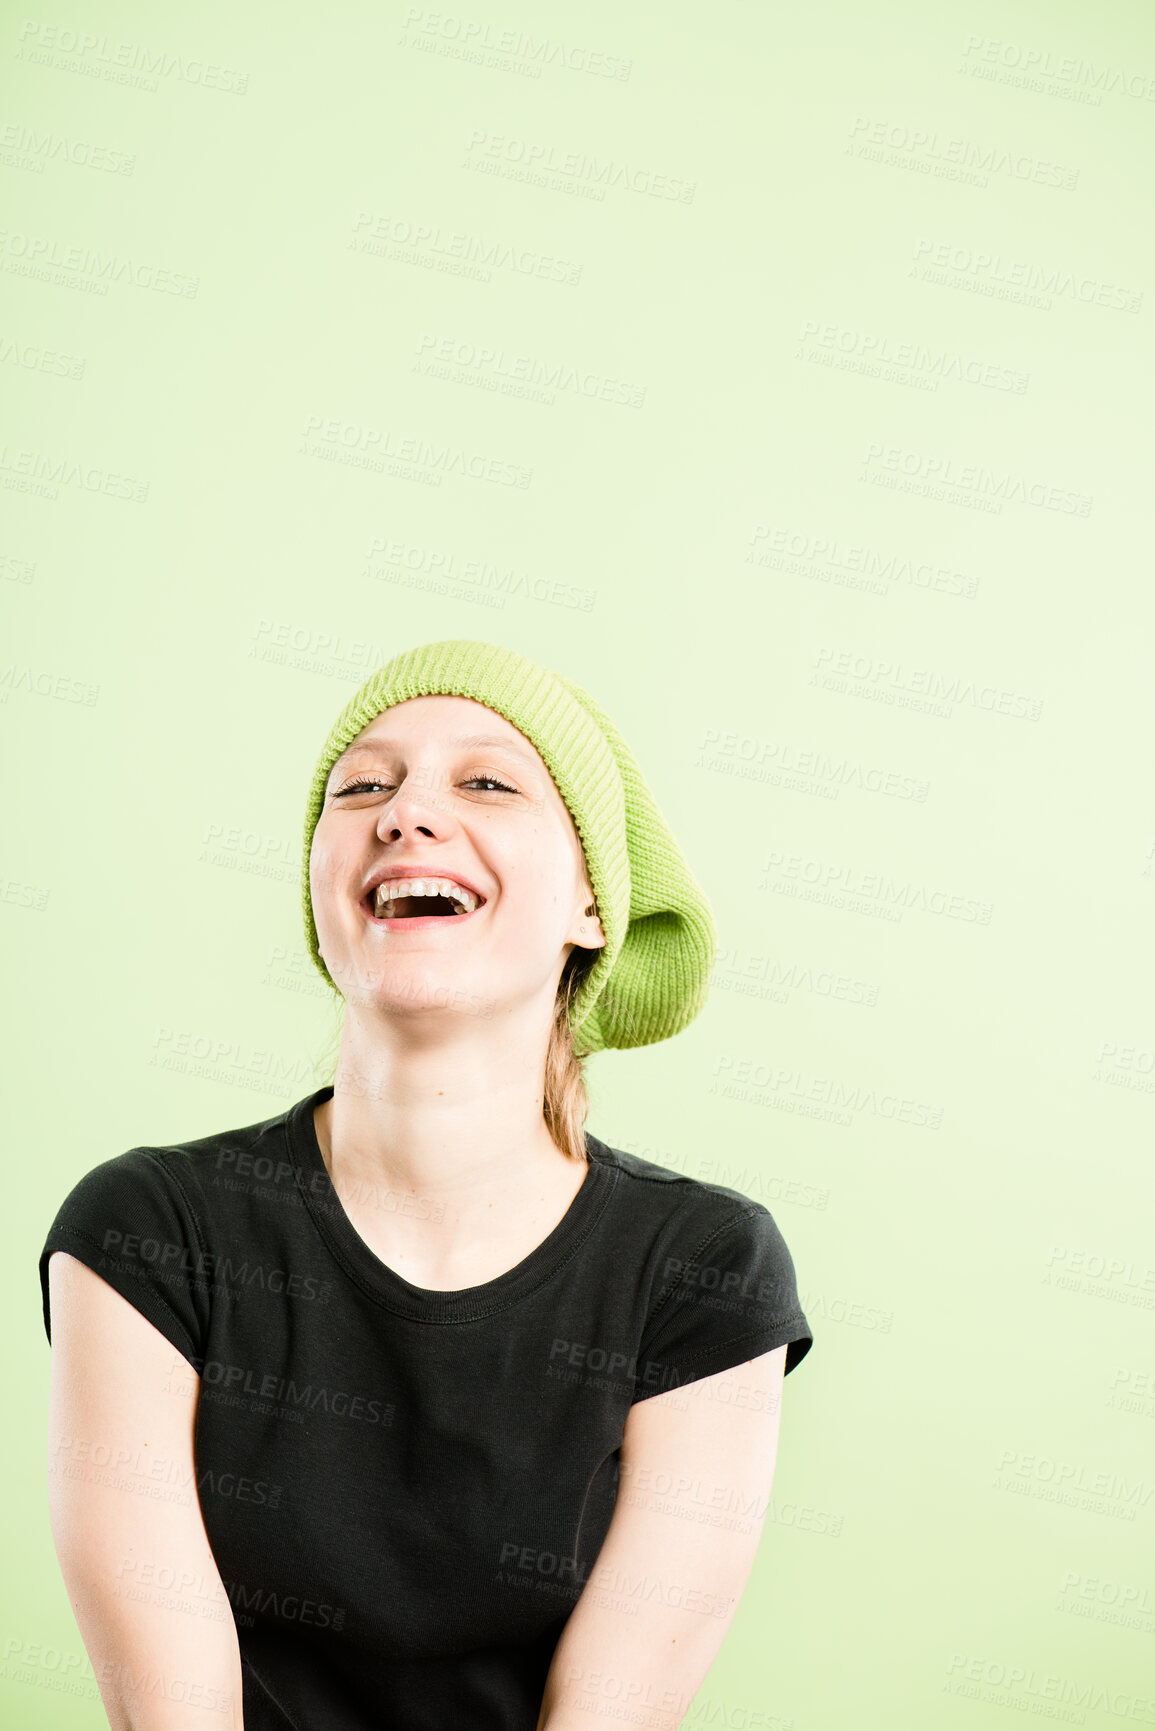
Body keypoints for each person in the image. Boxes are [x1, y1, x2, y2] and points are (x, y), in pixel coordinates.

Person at [40, 636, 814, 1731]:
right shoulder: (148, 1232)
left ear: (595, 906)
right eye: (363, 787)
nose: (405, 813)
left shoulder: (703, 1268)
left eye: (488, 782)